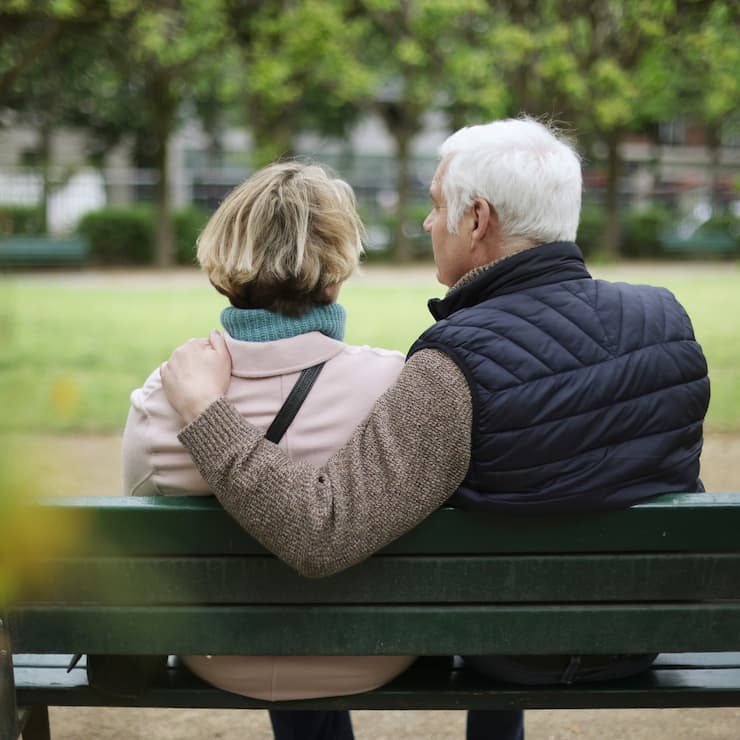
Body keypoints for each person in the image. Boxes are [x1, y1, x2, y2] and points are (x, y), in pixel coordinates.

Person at [161, 117, 710, 740]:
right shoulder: (668, 320)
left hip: (509, 648)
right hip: (642, 633)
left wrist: (207, 414)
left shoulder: (452, 364)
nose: (427, 224)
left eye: (434, 206)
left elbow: (322, 532)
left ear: (477, 219)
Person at [122, 161, 417, 740]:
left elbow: (135, 524)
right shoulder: (398, 385)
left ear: (226, 263)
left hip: (219, 653)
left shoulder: (164, 396)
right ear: (338, 267)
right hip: (372, 648)